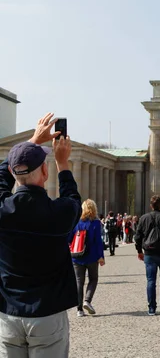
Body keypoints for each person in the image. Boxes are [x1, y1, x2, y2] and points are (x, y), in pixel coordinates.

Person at [0, 113, 82, 356]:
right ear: (45, 172)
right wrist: (63, 163)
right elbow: (73, 198)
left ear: (14, 176)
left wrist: (32, 142)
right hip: (47, 312)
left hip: (8, 313)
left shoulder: (3, 210)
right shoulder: (59, 213)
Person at [70, 199, 105, 317]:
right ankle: (87, 300)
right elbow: (98, 242)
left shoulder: (76, 223)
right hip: (92, 256)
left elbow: (69, 239)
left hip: (77, 256)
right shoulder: (95, 223)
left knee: (79, 282)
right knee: (93, 279)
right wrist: (101, 256)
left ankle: (79, 310)